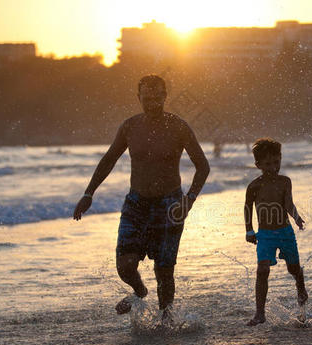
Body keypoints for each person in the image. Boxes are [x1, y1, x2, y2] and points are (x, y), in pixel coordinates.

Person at [72, 75, 210, 320]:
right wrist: (88, 193)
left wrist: (188, 200)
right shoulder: (130, 127)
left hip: (171, 205)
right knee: (124, 266)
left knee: (164, 271)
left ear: (166, 96)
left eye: (158, 98)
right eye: (147, 98)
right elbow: (109, 159)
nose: (153, 103)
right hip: (136, 203)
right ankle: (140, 290)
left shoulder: (178, 126)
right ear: (139, 98)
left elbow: (203, 166)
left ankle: (166, 321)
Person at [243, 138, 308, 326]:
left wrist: (296, 217)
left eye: (277, 162)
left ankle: (300, 284)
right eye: (268, 164)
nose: (274, 167)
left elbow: (288, 202)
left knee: (293, 268)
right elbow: (247, 208)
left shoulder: (285, 181)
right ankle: (259, 313)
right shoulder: (254, 186)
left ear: (280, 159)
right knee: (262, 270)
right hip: (265, 235)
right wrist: (249, 231)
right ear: (258, 165)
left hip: (285, 232)